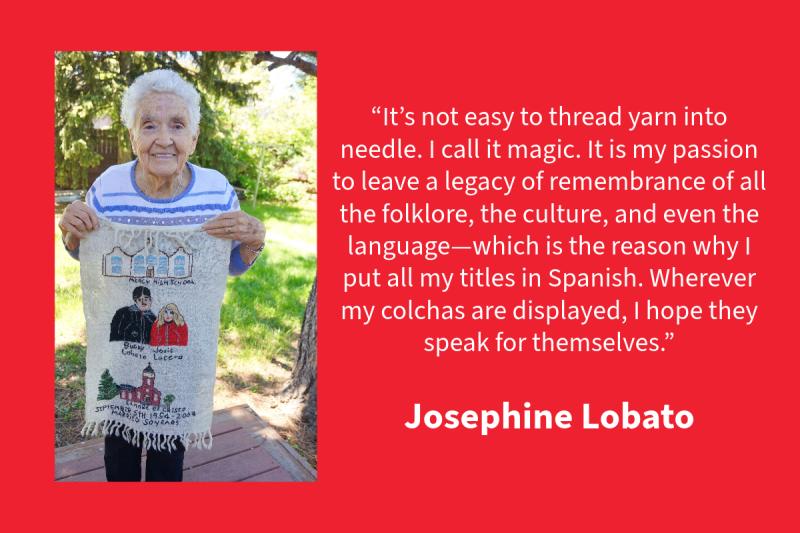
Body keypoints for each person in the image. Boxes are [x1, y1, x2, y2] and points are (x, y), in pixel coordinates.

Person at [58, 69, 266, 482]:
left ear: (194, 137)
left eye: (177, 125)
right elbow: (87, 257)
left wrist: (254, 239)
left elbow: (231, 266)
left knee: (168, 456)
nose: (164, 138)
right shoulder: (108, 186)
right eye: (149, 125)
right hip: (122, 353)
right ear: (133, 135)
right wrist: (71, 229)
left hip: (179, 358)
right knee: (119, 448)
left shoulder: (216, 191)